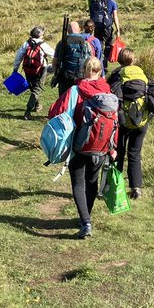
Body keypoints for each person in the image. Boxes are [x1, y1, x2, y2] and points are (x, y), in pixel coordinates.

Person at [48, 56, 117, 239]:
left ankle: (85, 221)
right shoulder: (108, 93)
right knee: (91, 182)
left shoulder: (75, 91)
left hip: (78, 145)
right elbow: (115, 120)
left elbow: (54, 112)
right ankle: (87, 214)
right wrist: (113, 147)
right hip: (101, 146)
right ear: (100, 71)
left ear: (84, 71)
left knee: (78, 183)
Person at [109, 47, 148, 200]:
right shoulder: (143, 75)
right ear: (133, 59)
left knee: (118, 152)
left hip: (122, 120)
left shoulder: (116, 75)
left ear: (119, 60)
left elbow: (110, 97)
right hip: (141, 120)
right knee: (135, 153)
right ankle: (136, 188)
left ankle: (115, 186)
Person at [11, 26, 55, 119]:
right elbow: (54, 55)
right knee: (36, 90)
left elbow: (18, 56)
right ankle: (27, 112)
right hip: (41, 70)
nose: (43, 35)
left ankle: (37, 105)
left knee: (33, 88)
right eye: (43, 34)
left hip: (28, 70)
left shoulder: (26, 44)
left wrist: (15, 69)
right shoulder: (43, 45)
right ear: (39, 34)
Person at [50, 20, 95, 90]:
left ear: (68, 30)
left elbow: (55, 62)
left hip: (65, 77)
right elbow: (92, 61)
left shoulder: (61, 43)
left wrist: (56, 75)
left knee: (64, 98)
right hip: (81, 76)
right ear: (79, 29)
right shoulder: (85, 43)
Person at [89, 0, 120, 67]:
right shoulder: (112, 3)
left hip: (97, 26)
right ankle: (105, 65)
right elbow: (115, 16)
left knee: (99, 44)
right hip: (107, 27)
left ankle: (98, 64)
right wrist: (118, 29)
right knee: (108, 45)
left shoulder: (96, 1)